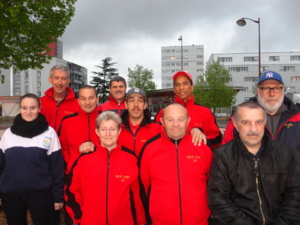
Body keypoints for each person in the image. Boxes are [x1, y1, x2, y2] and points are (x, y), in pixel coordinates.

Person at [208, 101, 300, 224]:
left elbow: (295, 194)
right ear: (235, 124)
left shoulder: (284, 153)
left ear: (264, 123)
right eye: (246, 122)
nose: (253, 129)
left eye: (259, 122)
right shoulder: (223, 155)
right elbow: (218, 199)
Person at [65, 111, 146, 225]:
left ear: (119, 131)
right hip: (90, 221)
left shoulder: (130, 158)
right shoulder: (84, 159)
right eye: (104, 129)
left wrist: (141, 220)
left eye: (112, 129)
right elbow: (71, 190)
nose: (108, 133)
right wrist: (80, 215)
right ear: (97, 132)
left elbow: (137, 195)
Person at [140, 103, 212, 224]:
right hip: (161, 221)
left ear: (188, 120)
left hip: (198, 221)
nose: (175, 124)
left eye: (180, 119)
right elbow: (144, 187)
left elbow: (213, 185)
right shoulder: (149, 148)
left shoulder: (203, 147)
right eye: (170, 120)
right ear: (162, 121)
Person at [0, 93, 64, 225]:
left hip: (41, 195)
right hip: (11, 195)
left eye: (32, 108)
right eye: (24, 108)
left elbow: (57, 168)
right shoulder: (8, 134)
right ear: (20, 109)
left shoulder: (49, 133)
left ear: (39, 108)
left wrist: (58, 196)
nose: (28, 112)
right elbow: (1, 165)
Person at [222, 70, 300, 164]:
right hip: (251, 177)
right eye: (266, 88)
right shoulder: (238, 120)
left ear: (283, 90)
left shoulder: (297, 117)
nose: (271, 94)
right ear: (257, 91)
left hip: (292, 177)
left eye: (276, 88)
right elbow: (225, 156)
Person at [155, 71, 222, 150]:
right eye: (177, 85)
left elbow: (217, 139)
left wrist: (201, 139)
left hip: (198, 159)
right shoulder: (163, 112)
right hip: (170, 158)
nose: (181, 87)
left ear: (192, 87)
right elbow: (156, 137)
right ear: (174, 89)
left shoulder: (205, 112)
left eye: (185, 83)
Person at [58, 85, 99, 173]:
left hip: (102, 173)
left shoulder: (107, 120)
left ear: (97, 99)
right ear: (79, 101)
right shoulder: (67, 121)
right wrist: (71, 164)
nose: (87, 102)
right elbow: (63, 147)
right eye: (83, 98)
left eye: (91, 98)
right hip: (75, 173)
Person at [40, 65, 78, 132]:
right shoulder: (40, 102)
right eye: (56, 78)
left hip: (67, 142)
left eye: (63, 79)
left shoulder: (78, 104)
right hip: (44, 142)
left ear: (68, 81)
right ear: (50, 80)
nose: (59, 82)